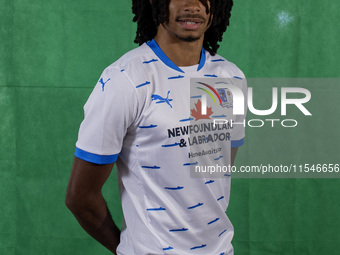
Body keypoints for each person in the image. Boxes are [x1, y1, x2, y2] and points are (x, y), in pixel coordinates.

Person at [65, 0, 247, 254]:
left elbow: (217, 170)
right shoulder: (124, 79)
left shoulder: (232, 77)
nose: (193, 5)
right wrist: (126, 248)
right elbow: (80, 198)